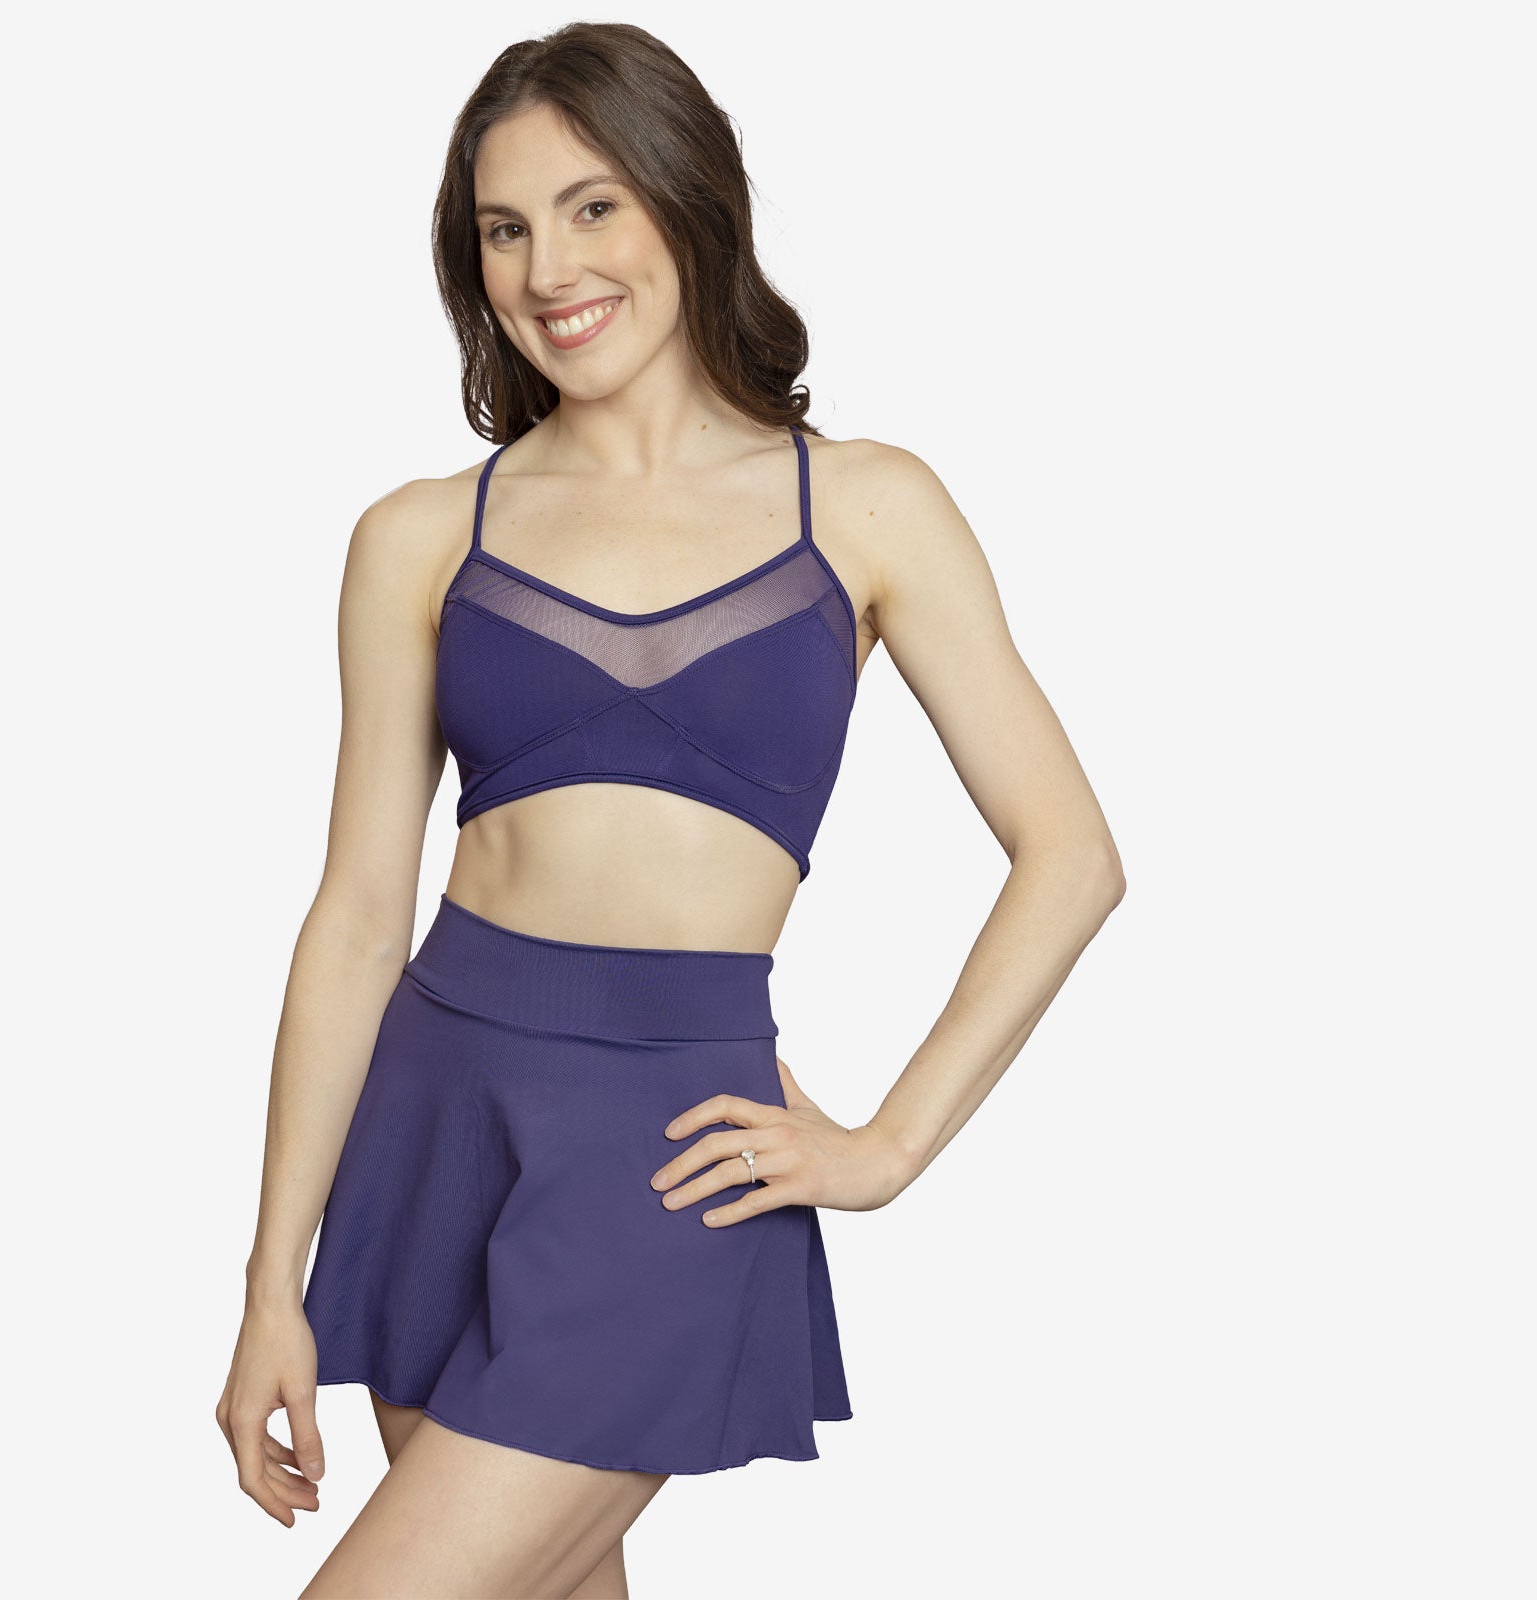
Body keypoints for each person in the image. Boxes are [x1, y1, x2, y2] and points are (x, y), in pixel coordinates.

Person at [216, 20, 1125, 1598]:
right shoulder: (419, 535)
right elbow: (359, 917)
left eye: (593, 208)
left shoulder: (867, 506)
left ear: (688, 203)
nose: (547, 268)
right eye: (504, 229)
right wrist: (266, 1285)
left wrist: (891, 1145)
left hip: (673, 1149)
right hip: (436, 1125)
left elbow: (1072, 857)